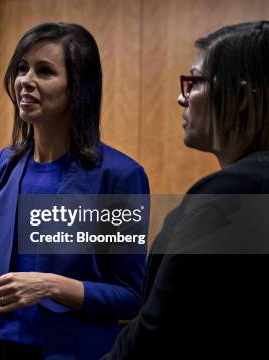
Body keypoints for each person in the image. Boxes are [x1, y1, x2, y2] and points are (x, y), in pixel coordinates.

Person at [0, 23, 149, 359]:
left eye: (44, 71)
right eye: (22, 68)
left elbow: (132, 296)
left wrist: (51, 287)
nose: (25, 81)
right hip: (1, 348)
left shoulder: (120, 176)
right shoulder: (6, 164)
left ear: (78, 88)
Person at [104, 21, 269, 359]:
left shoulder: (231, 193)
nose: (182, 97)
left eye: (194, 82)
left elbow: (158, 331)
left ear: (239, 96)